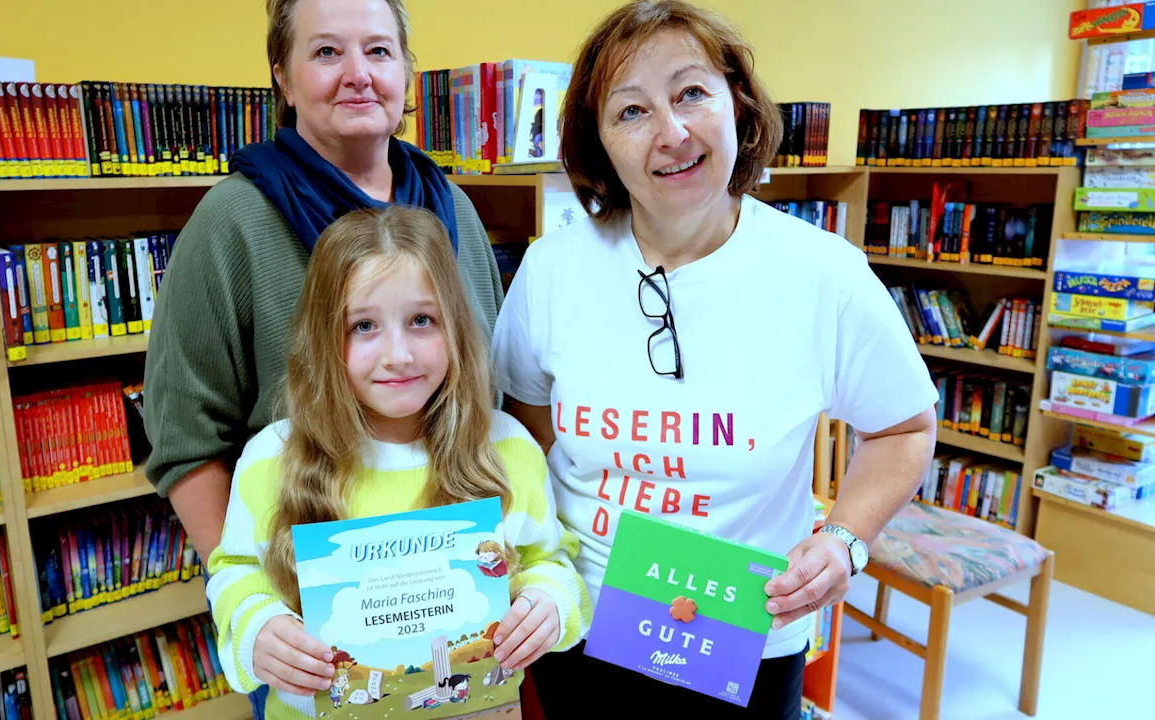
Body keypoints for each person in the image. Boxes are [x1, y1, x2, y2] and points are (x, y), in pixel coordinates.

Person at [491, 1, 938, 717]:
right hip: (580, 616)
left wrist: (843, 539)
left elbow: (904, 427)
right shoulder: (550, 269)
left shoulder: (822, 274)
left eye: (691, 93)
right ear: (599, 142)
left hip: (744, 629)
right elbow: (524, 426)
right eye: (630, 111)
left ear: (738, 102)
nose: (670, 133)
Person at [142, 0, 504, 714]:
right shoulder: (232, 221)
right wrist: (257, 601)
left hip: (456, 605)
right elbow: (185, 441)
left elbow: (487, 393)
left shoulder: (453, 210)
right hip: (320, 624)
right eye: (326, 53)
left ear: (406, 71)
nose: (358, 75)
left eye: (378, 51)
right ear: (281, 75)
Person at [203, 206, 591, 719]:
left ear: (456, 325)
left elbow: (549, 561)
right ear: (324, 339)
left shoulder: (508, 449)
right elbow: (235, 572)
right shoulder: (272, 460)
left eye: (421, 321)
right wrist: (256, 629)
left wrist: (547, 606)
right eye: (364, 325)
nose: (399, 354)